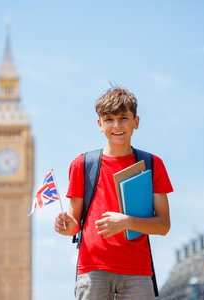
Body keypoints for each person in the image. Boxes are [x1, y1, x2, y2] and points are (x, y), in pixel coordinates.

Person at [55, 87, 173, 300]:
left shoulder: (152, 164)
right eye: (109, 119)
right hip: (93, 271)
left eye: (123, 118)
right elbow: (74, 224)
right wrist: (65, 225)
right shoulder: (82, 164)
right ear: (100, 124)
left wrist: (127, 222)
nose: (116, 125)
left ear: (136, 122)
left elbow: (164, 225)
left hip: (138, 273)